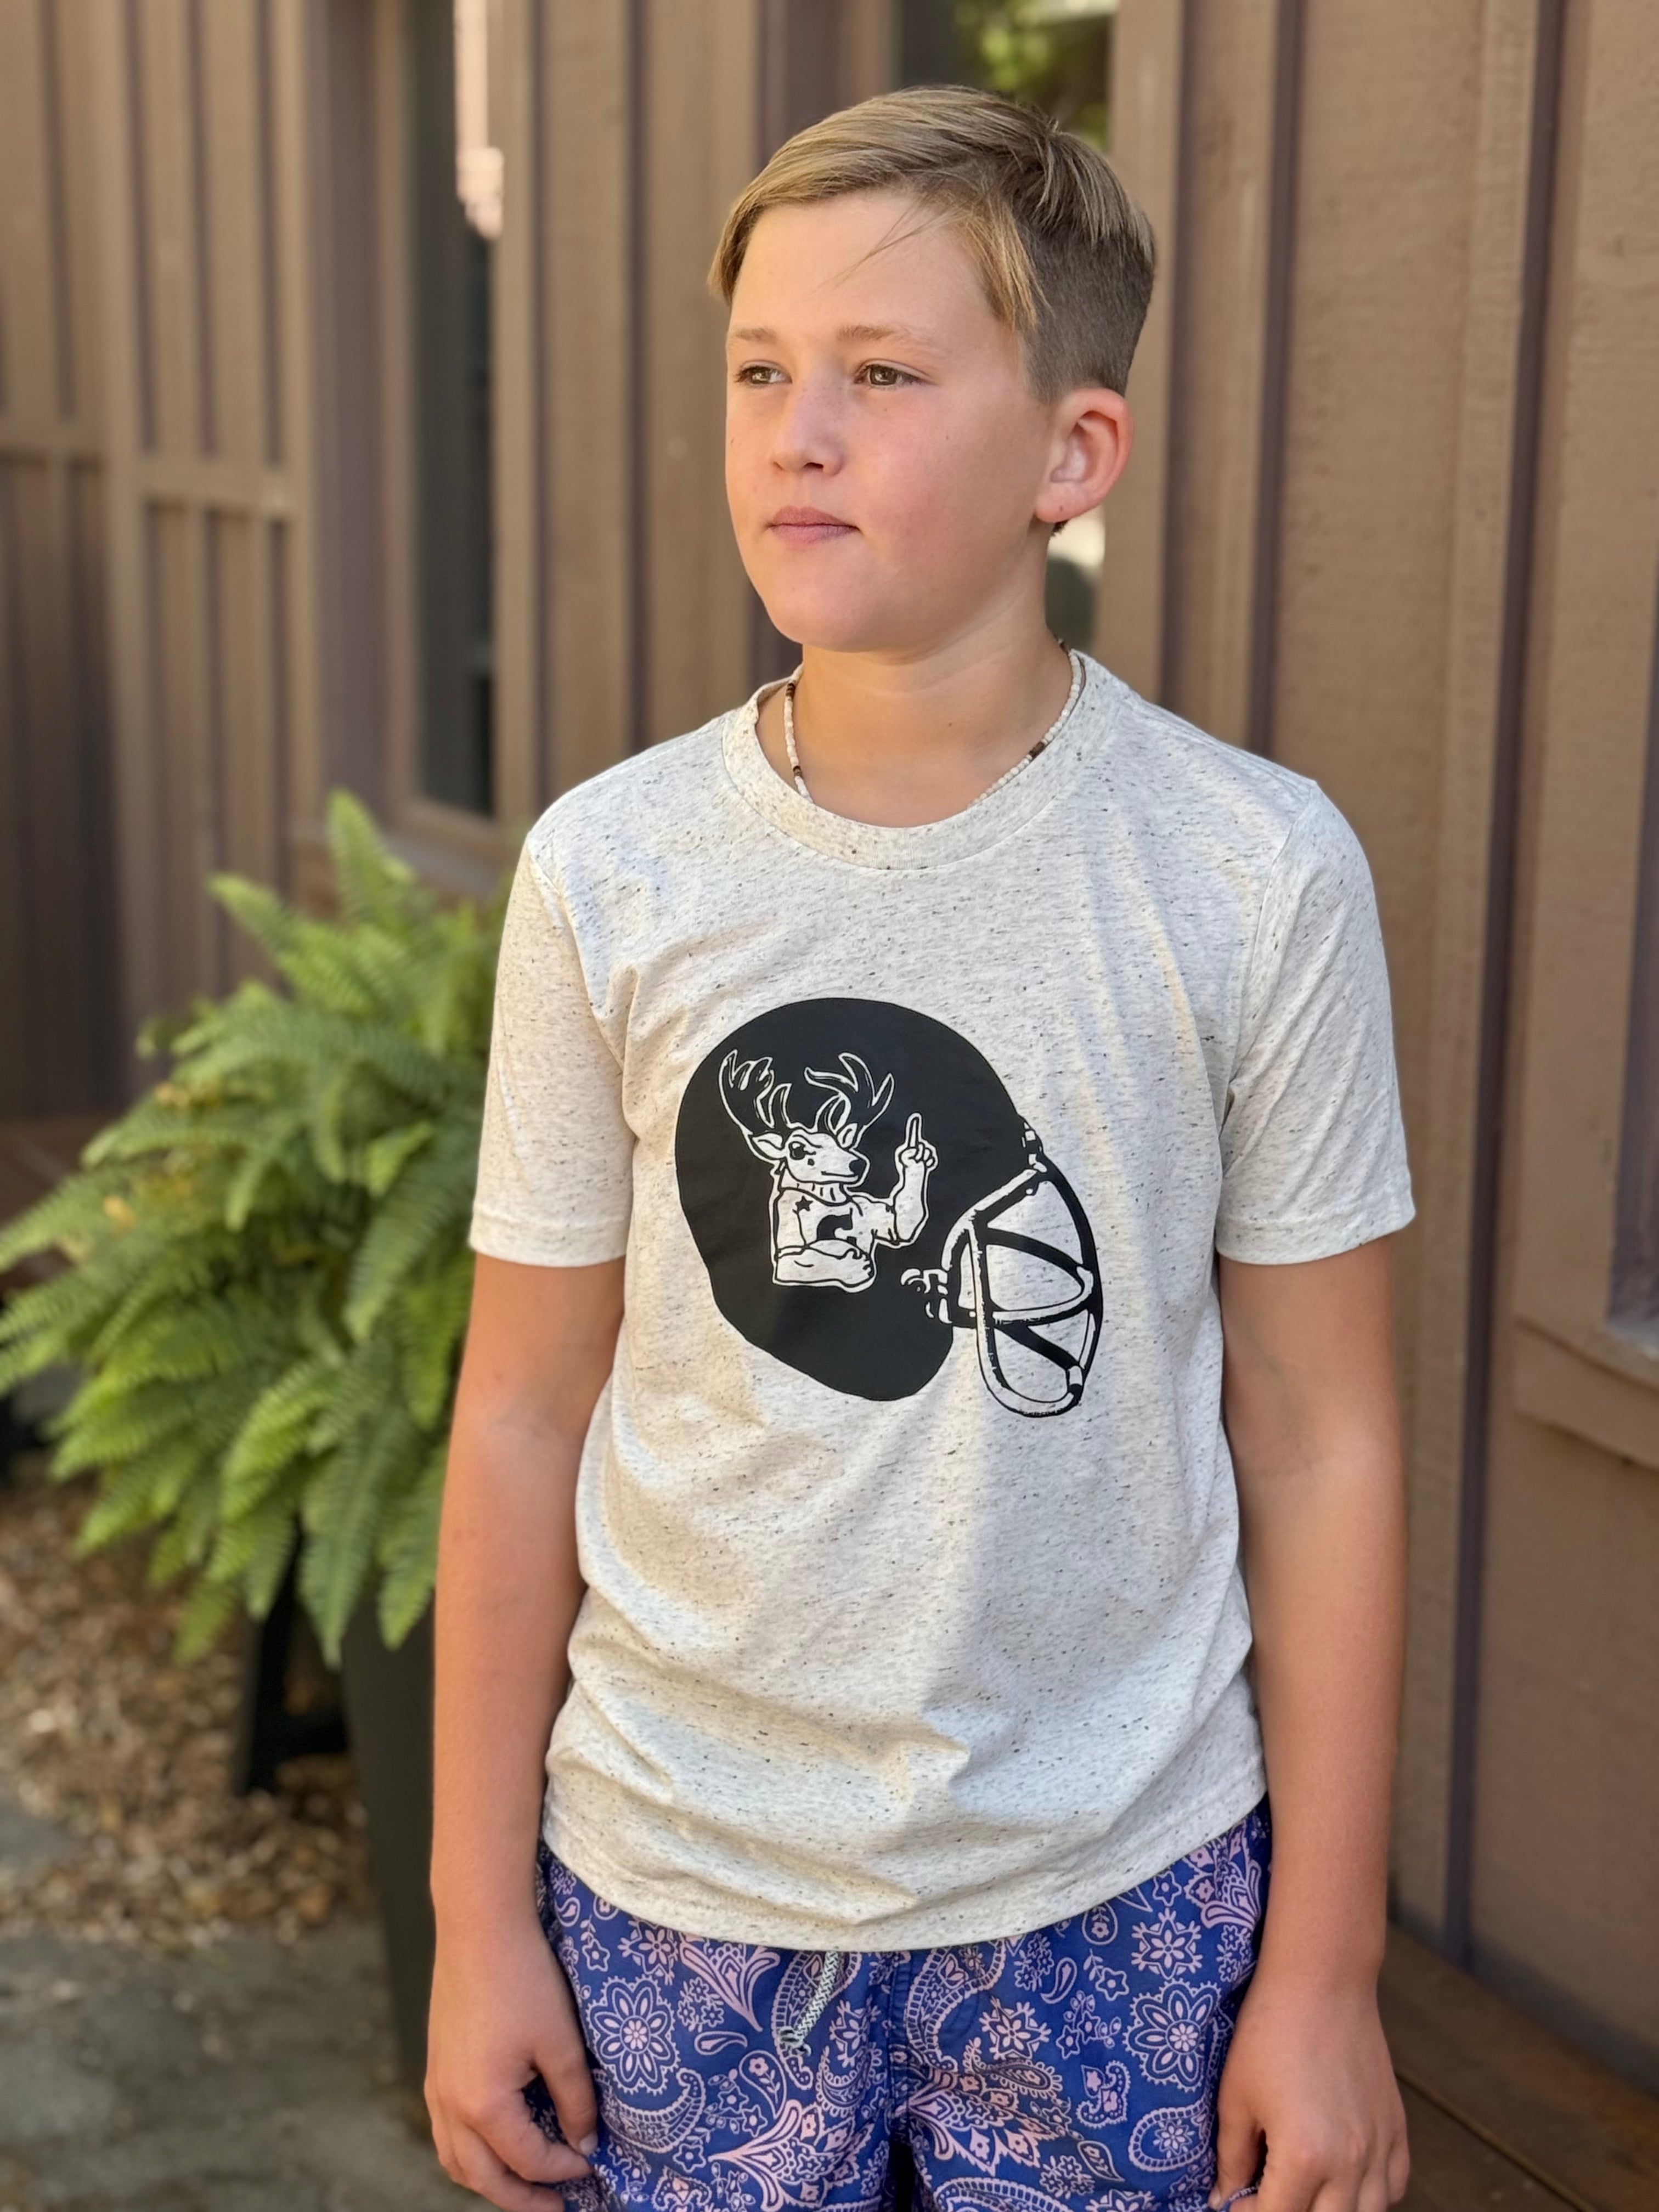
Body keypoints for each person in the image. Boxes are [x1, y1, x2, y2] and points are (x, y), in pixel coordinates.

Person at [424, 82, 1415, 2212]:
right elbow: (519, 1414)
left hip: (1124, 1893)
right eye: (760, 372)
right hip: (674, 1883)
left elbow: (1325, 1435)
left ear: (1075, 453)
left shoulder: (1252, 873)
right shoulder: (610, 872)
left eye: (881, 375)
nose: (800, 433)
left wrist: (1326, 1972)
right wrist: (472, 1916)